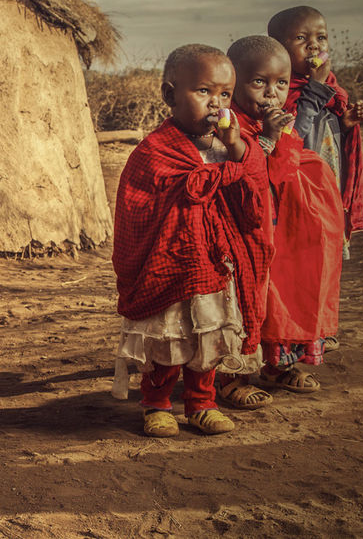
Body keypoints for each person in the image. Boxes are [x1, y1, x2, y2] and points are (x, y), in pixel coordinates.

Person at [111, 44, 273, 437]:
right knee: (169, 336)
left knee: (210, 335)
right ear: (170, 95)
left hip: (217, 262)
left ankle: (202, 403)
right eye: (203, 92)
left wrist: (236, 149)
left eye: (225, 95)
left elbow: (254, 191)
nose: (216, 105)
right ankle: (157, 404)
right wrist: (231, 170)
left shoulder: (229, 146)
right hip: (171, 265)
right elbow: (164, 197)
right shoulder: (155, 150)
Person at [217, 36, 345, 406]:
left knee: (280, 296)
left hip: (279, 233)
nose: (271, 93)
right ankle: (230, 376)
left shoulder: (273, 120)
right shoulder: (228, 125)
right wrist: (270, 140)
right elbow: (244, 170)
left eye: (281, 84)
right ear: (233, 84)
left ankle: (276, 365)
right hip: (240, 234)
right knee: (241, 303)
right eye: (259, 83)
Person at [268, 6, 363, 352]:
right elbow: (293, 137)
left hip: (325, 198)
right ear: (278, 49)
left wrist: (346, 123)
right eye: (301, 39)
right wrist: (314, 89)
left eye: (320, 37)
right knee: (294, 273)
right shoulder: (281, 93)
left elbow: (326, 143)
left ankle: (311, 340)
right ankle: (285, 353)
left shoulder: (330, 90)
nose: (314, 46)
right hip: (296, 200)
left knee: (320, 271)